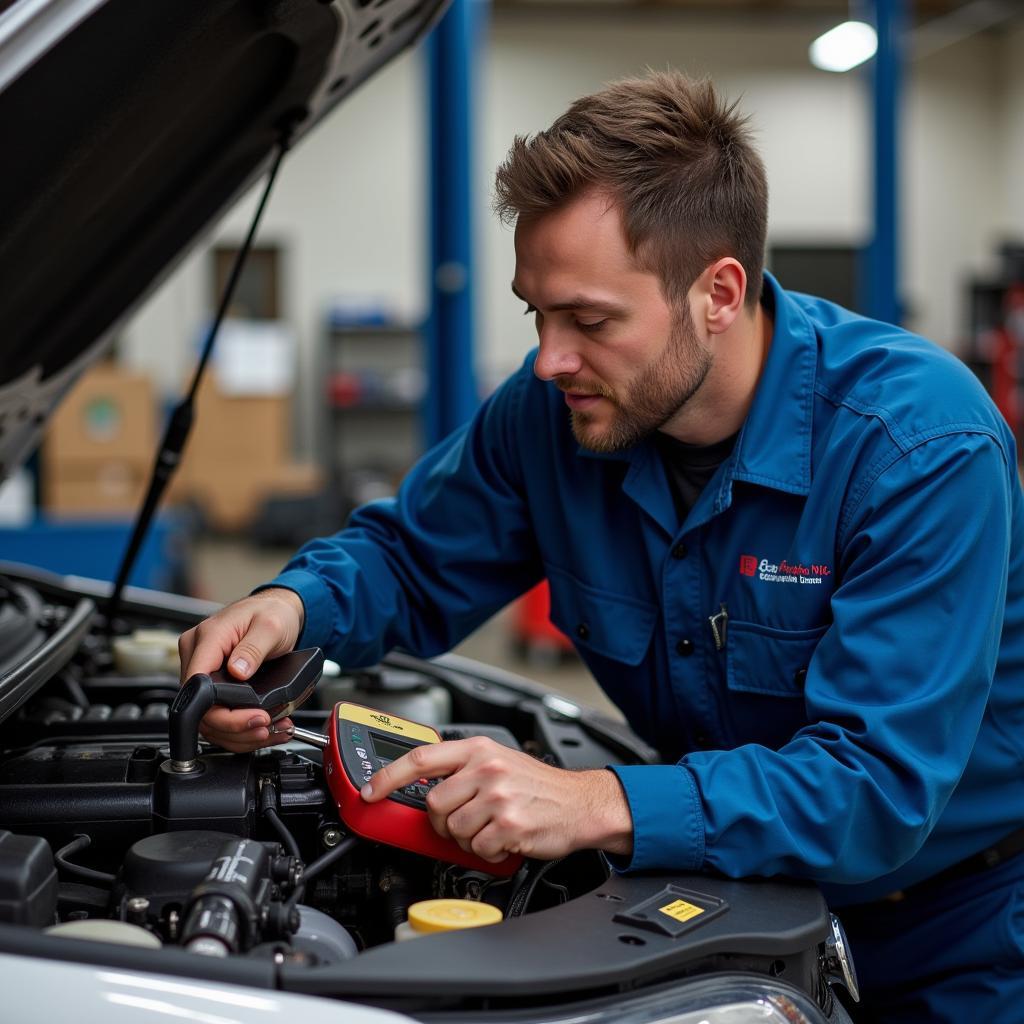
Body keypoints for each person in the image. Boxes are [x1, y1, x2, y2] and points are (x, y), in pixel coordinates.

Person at [179, 71, 1024, 1021]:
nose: (549, 359)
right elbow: (412, 559)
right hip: (729, 899)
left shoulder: (917, 448)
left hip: (957, 934)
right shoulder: (553, 418)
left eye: (590, 319)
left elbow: (874, 786)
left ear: (718, 292)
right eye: (535, 313)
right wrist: (294, 608)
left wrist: (596, 803)